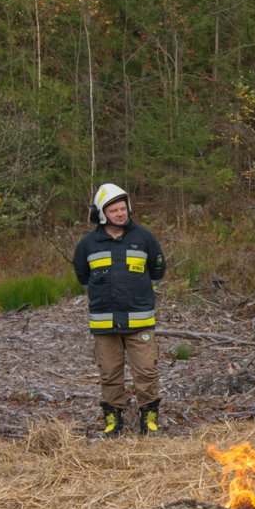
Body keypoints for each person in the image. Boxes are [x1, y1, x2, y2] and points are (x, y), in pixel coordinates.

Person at [73, 184, 166, 437]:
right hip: (105, 325)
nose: (120, 214)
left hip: (140, 323)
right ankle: (114, 422)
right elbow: (83, 278)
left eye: (123, 208)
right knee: (109, 373)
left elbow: (157, 272)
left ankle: (150, 422)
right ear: (102, 213)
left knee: (147, 372)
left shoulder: (144, 238)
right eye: (114, 210)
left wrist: (136, 292)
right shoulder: (87, 245)